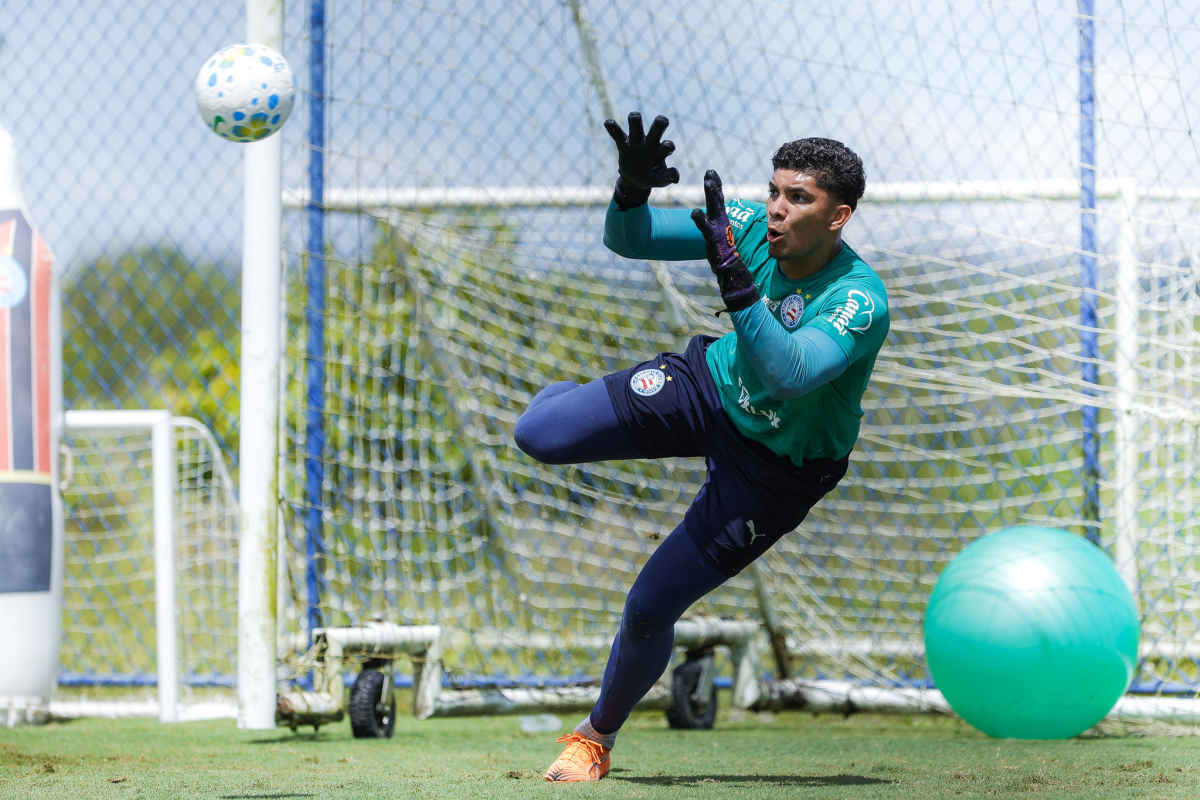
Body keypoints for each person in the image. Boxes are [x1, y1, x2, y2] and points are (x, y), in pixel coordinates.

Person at [513, 112, 889, 782]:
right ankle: (574, 396)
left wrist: (735, 278)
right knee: (538, 434)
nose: (776, 209)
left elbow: (790, 373)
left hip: (776, 470)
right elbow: (628, 238)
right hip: (710, 386)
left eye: (798, 198)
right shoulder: (745, 224)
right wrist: (631, 189)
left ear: (839, 216)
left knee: (650, 606)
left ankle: (594, 739)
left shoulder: (859, 300)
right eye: (774, 191)